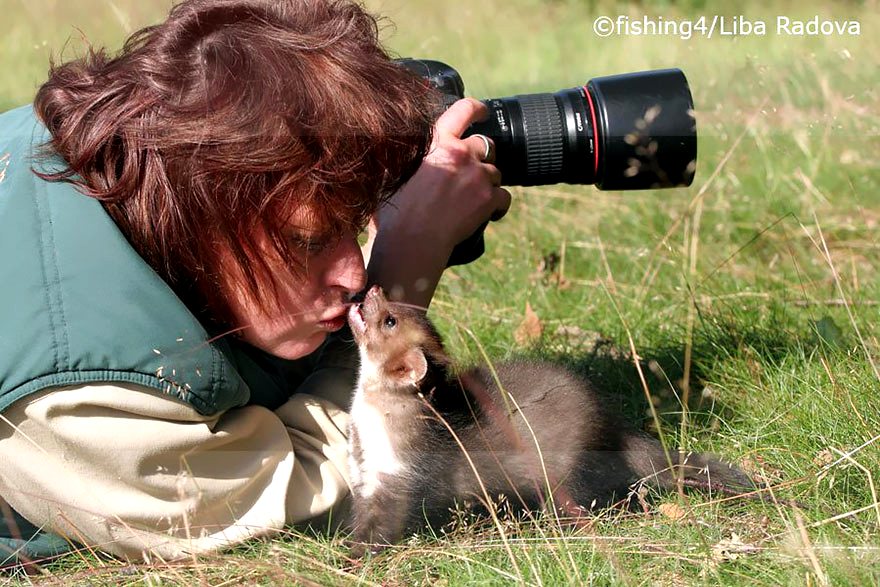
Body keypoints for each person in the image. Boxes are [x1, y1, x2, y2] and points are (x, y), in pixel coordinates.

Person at [0, 0, 510, 564]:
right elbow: (300, 495)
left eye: (354, 225)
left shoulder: (98, 144)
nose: (354, 273)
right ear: (197, 218)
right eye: (309, 241)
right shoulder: (81, 393)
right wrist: (409, 261)